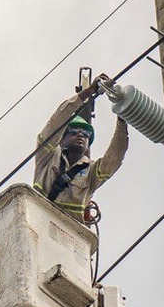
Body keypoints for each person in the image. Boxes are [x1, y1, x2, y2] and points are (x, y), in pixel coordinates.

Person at [33, 82, 128, 222]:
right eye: (74, 131)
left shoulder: (91, 172)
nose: (80, 135)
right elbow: (56, 122)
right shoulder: (47, 156)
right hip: (38, 219)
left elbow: (115, 155)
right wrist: (86, 93)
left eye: (85, 134)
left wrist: (122, 120)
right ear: (62, 139)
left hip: (69, 234)